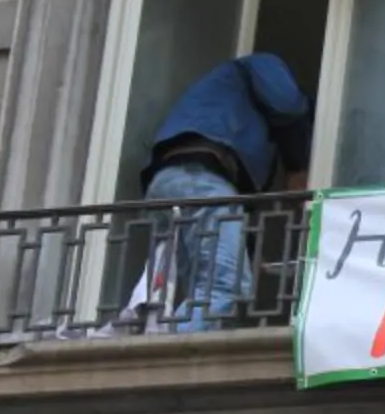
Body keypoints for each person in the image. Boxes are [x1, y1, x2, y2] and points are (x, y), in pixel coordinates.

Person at [113, 52, 312, 333]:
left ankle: (168, 346)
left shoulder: (233, 114)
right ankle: (173, 360)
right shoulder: (259, 66)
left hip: (171, 184)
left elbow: (239, 203)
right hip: (198, 178)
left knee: (205, 290)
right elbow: (287, 101)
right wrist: (298, 161)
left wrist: (248, 250)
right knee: (224, 285)